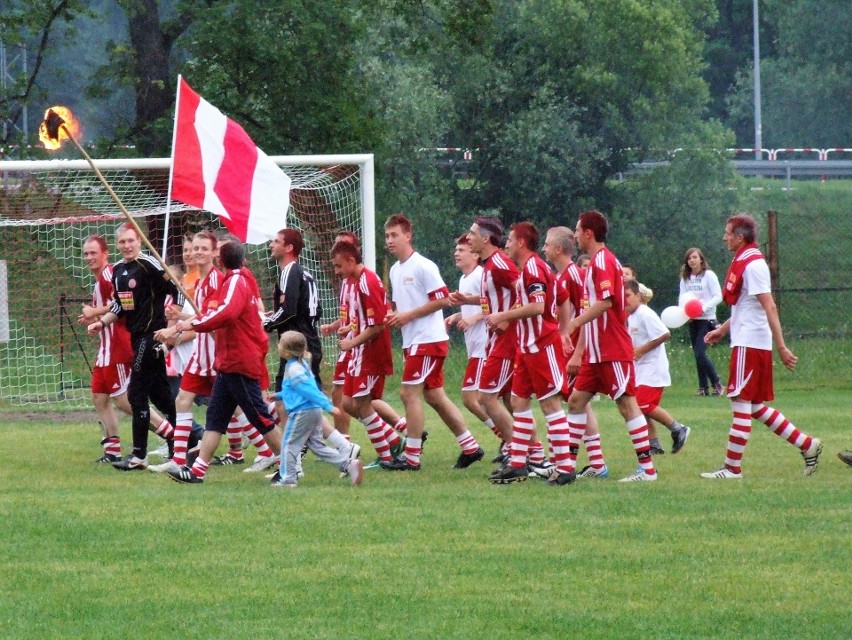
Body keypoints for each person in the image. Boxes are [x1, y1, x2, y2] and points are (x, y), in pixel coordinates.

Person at [701, 214, 822, 479]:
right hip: (748, 341)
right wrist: (722, 329)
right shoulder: (747, 261)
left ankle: (732, 468)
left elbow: (769, 306)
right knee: (753, 406)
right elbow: (746, 307)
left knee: (740, 401)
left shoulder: (753, 265)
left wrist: (781, 347)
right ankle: (807, 444)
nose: (724, 237)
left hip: (750, 344)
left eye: (728, 233)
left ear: (739, 237)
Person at [166, 240, 283, 484]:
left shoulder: (235, 281)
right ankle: (197, 470)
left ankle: (289, 465)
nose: (196, 253)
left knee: (260, 417)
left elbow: (224, 313)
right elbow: (219, 313)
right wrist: (188, 320)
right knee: (216, 419)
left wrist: (189, 324)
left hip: (239, 362)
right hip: (227, 363)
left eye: (205, 249)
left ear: (219, 258)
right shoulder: (232, 280)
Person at [383, 214, 484, 471]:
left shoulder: (423, 266)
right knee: (435, 396)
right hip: (413, 341)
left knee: (408, 393)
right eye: (387, 236)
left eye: (395, 235)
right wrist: (396, 314)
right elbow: (406, 306)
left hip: (428, 340)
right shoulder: (396, 270)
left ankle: (412, 457)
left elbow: (442, 299)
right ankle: (470, 447)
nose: (390, 241)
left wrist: (407, 315)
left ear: (408, 236)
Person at [564, 210, 658, 483]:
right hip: (595, 352)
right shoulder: (595, 263)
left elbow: (606, 302)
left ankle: (647, 470)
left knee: (627, 404)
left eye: (578, 230)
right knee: (576, 401)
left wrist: (572, 324)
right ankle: (568, 468)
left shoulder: (604, 261)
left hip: (611, 349)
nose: (575, 234)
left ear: (588, 233)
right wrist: (581, 349)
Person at [87, 223, 179, 471]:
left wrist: (176, 313)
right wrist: (101, 322)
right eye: (122, 242)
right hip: (136, 337)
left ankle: (139, 455)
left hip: (152, 336)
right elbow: (119, 306)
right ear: (117, 245)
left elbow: (175, 288)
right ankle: (184, 442)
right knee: (161, 395)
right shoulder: (118, 270)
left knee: (136, 395)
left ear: (139, 241)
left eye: (131, 241)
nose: (127, 246)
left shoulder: (149, 264)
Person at [487, 222, 573, 485]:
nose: (507, 245)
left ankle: (566, 468)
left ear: (521, 242)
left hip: (540, 346)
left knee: (550, 404)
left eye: (510, 240)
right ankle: (517, 464)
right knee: (518, 402)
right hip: (526, 348)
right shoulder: (530, 270)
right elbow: (561, 297)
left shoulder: (534, 269)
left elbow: (537, 307)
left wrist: (504, 315)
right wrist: (564, 331)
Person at [542, 226, 609, 479]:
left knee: (569, 402)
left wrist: (578, 352)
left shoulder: (572, 276)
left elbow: (584, 315)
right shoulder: (564, 276)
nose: (544, 249)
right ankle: (594, 462)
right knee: (578, 402)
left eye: (547, 244)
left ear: (559, 249)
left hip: (572, 349)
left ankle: (564, 460)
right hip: (566, 348)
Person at [450, 217, 518, 462]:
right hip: (493, 342)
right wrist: (465, 304)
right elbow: (491, 300)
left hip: (504, 341)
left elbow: (525, 291)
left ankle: (522, 451)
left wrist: (507, 319)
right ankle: (522, 450)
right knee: (507, 400)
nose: (467, 238)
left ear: (486, 239)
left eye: (471, 234)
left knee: (483, 398)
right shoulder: (490, 266)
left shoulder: (498, 264)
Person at [331, 240, 403, 463]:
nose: (337, 271)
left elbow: (378, 325)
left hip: (370, 352)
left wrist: (352, 343)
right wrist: (347, 329)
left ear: (351, 261)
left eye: (338, 266)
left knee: (361, 404)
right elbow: (362, 320)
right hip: (360, 352)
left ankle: (387, 454)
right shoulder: (357, 280)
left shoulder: (367, 282)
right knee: (349, 404)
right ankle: (392, 440)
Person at [271, 331, 364, 488]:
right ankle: (349, 465)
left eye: (280, 343)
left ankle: (288, 479)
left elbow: (310, 390)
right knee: (318, 447)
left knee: (289, 444)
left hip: (302, 412)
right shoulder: (301, 365)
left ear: (287, 351)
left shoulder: (294, 369)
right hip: (312, 411)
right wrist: (279, 395)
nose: (277, 346)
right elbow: (295, 390)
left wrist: (327, 406)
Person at [624, 279, 691, 454]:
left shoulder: (645, 313)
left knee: (643, 404)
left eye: (628, 296)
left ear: (638, 296)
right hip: (640, 368)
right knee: (638, 408)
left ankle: (678, 428)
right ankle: (654, 444)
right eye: (622, 297)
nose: (625, 300)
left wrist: (641, 350)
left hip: (654, 367)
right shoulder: (630, 317)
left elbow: (664, 334)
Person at [444, 235, 495, 447]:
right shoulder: (464, 279)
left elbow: (493, 304)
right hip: (474, 346)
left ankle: (507, 438)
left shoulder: (481, 275)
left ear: (475, 254)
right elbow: (473, 306)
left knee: (470, 398)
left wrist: (473, 318)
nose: (456, 253)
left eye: (461, 250)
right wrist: (457, 316)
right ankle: (509, 440)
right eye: (456, 250)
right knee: (487, 399)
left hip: (484, 345)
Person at [679, 247, 724, 396]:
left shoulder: (709, 275)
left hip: (707, 319)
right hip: (693, 320)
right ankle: (703, 388)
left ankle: (716, 382)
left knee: (700, 352)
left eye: (694, 257)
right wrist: (686, 313)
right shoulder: (685, 278)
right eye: (689, 258)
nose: (692, 260)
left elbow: (718, 296)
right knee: (696, 354)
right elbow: (682, 297)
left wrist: (703, 308)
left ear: (701, 259)